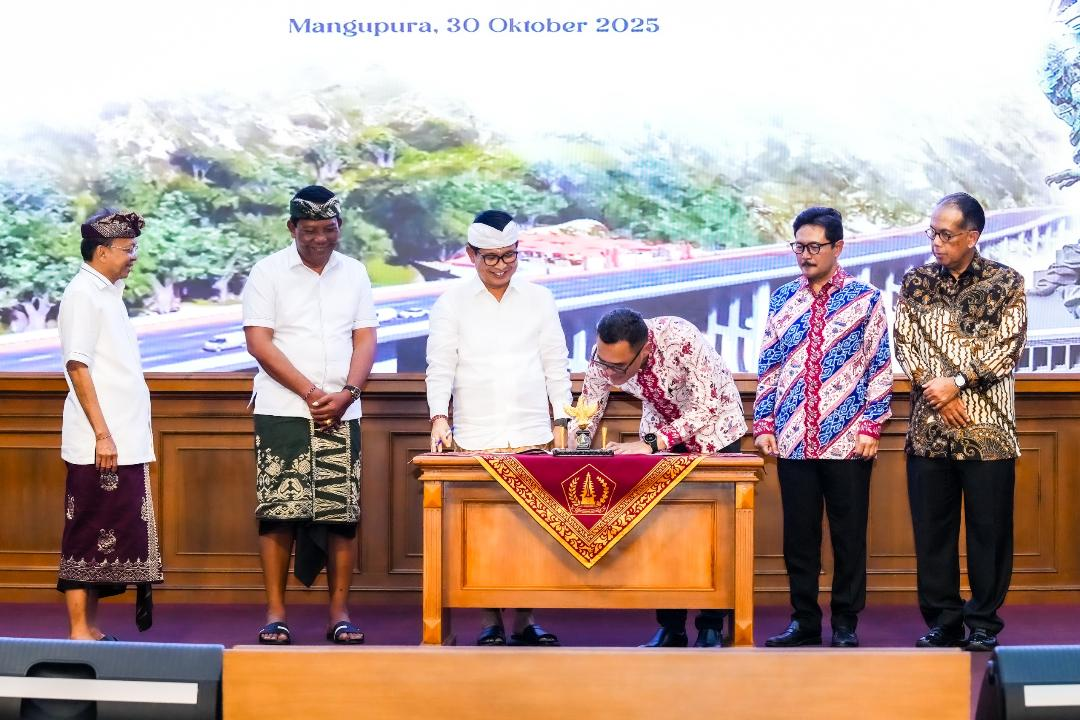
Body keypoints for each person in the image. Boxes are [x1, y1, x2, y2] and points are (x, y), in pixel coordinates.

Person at [426, 209, 572, 647]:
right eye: (489, 257)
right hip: (475, 432)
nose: (500, 265)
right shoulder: (450, 302)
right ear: (470, 255)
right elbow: (440, 364)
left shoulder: (539, 298)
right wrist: (439, 416)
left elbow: (555, 363)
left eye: (509, 256)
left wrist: (562, 417)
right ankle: (490, 620)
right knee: (484, 534)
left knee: (532, 533)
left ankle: (526, 620)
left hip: (531, 431)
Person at [242, 185, 377, 645]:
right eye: (310, 230)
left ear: (340, 226)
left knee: (341, 515)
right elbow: (259, 342)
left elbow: (365, 339)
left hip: (343, 411)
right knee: (278, 513)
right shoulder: (267, 272)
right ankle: (275, 614)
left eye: (328, 229)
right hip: (283, 410)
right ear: (291, 228)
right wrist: (311, 392)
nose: (320, 239)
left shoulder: (355, 273)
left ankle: (339, 613)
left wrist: (347, 393)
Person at [753, 207, 892, 649]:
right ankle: (804, 620)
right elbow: (770, 366)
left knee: (848, 538)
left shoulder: (865, 299)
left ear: (837, 247)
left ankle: (846, 623)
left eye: (814, 247)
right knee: (800, 538)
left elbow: (880, 367)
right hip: (792, 439)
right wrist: (764, 422)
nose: (805, 255)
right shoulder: (781, 300)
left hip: (848, 440)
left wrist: (871, 426)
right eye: (799, 246)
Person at [894, 192, 1027, 652]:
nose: (936, 242)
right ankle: (943, 621)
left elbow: (1007, 348)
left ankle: (984, 622)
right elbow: (906, 345)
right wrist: (938, 390)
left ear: (972, 237)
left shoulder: (1006, 283)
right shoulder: (914, 283)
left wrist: (956, 382)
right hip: (929, 433)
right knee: (933, 533)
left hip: (988, 433)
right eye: (932, 232)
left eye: (946, 235)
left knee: (989, 532)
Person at [578, 308, 747, 647]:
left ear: (644, 350)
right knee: (663, 535)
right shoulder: (606, 356)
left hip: (715, 431)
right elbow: (589, 405)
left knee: (715, 534)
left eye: (618, 368)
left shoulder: (681, 338)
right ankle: (672, 627)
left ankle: (711, 625)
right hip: (657, 437)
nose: (609, 374)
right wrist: (576, 449)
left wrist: (651, 444)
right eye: (604, 363)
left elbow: (705, 407)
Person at [57, 209, 162, 640]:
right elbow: (77, 366)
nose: (133, 256)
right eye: (127, 249)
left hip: (122, 439)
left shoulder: (107, 293)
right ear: (102, 252)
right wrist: (102, 433)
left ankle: (92, 627)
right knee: (86, 532)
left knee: (108, 531)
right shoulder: (83, 294)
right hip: (100, 440)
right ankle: (79, 629)